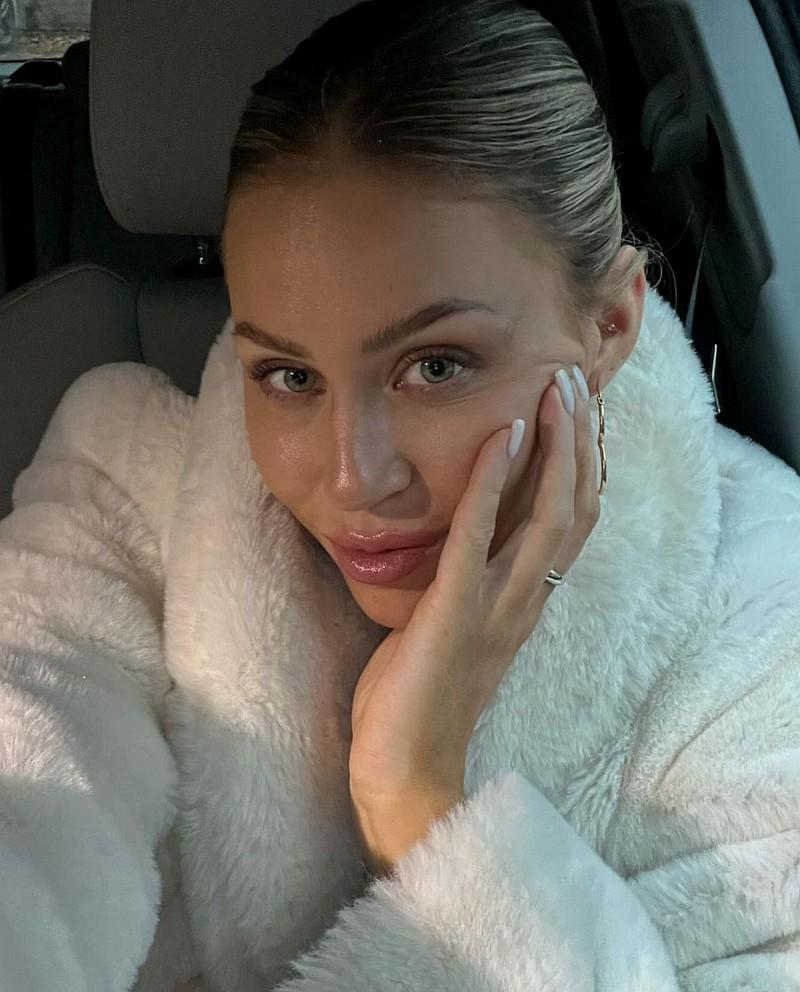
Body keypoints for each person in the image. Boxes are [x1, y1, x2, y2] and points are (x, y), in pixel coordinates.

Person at [1, 1, 799, 990]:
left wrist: (421, 806)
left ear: (607, 327)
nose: (353, 477)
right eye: (289, 375)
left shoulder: (768, 633)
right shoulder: (126, 488)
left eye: (436, 365)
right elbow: (30, 765)